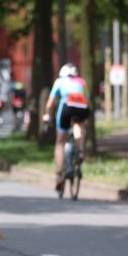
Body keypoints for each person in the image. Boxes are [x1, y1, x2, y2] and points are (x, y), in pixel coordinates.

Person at [43, 63, 91, 191]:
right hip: (82, 109)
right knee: (79, 125)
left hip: (66, 109)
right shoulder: (82, 82)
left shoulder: (59, 82)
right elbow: (88, 99)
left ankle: (59, 175)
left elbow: (50, 104)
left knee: (60, 143)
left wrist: (48, 116)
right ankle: (80, 150)